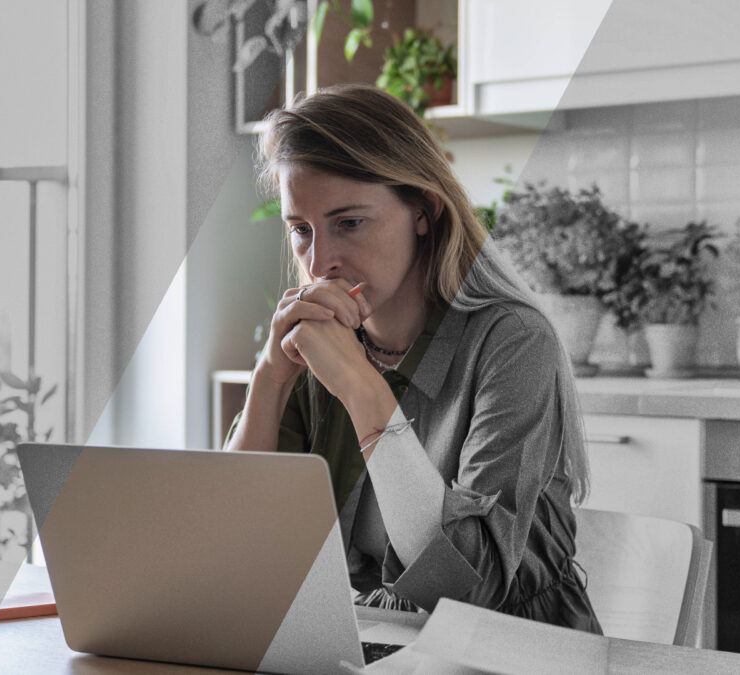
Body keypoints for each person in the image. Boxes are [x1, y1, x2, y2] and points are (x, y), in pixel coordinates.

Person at [226, 84, 601, 633]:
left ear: (423, 211)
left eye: (349, 223)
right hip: (379, 641)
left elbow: (470, 590)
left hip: (516, 651)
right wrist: (270, 377)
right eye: (301, 231)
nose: (320, 261)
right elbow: (233, 550)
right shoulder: (318, 346)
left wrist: (361, 388)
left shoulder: (514, 342)